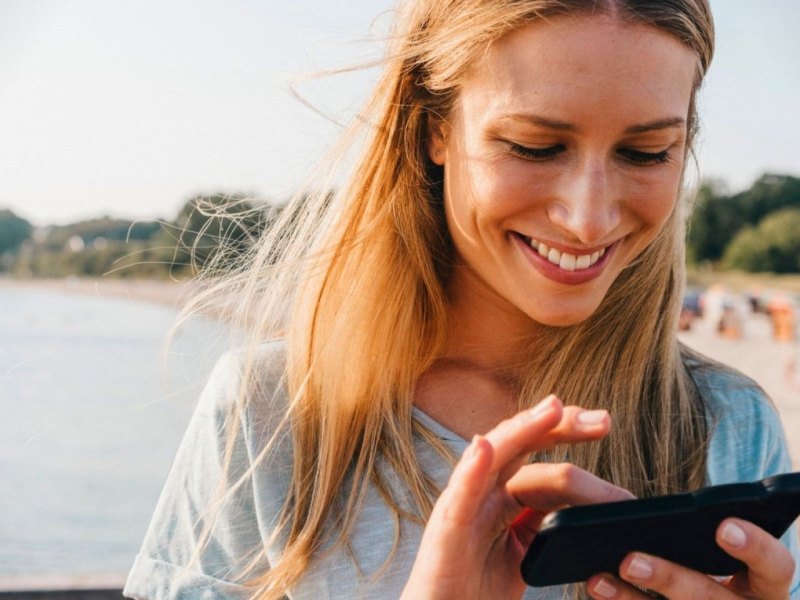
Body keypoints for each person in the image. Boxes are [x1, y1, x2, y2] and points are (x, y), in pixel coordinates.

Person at [123, 1, 800, 598]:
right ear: (432, 128)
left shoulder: (728, 425)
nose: (588, 219)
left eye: (647, 152)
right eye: (534, 146)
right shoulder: (272, 414)